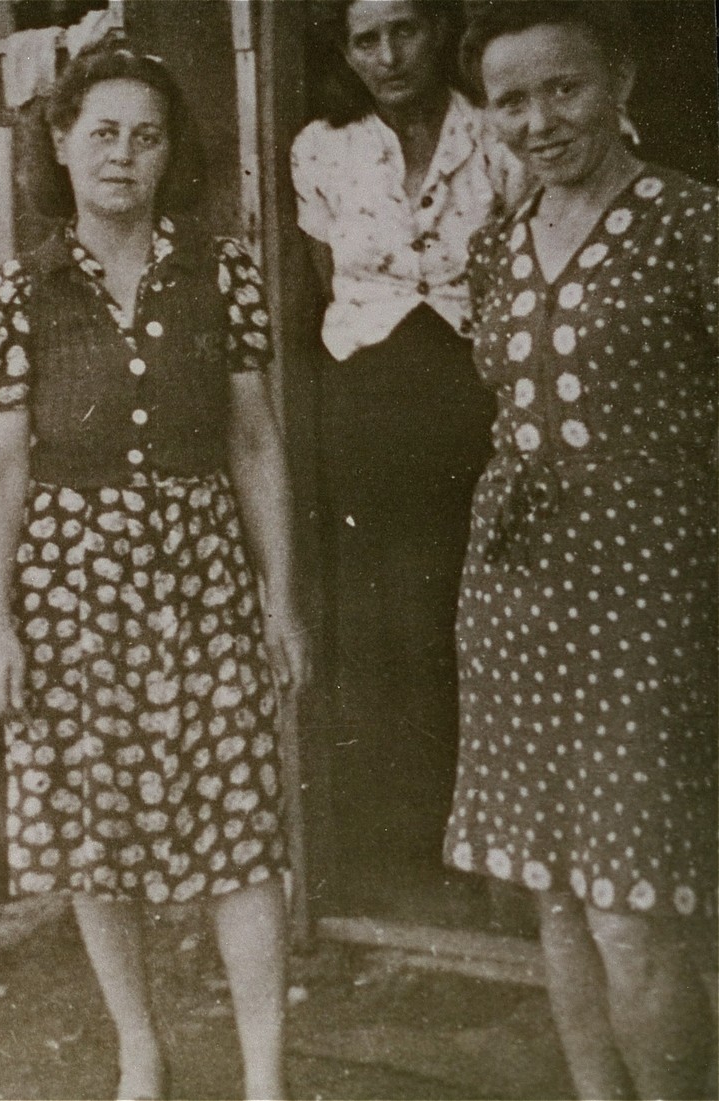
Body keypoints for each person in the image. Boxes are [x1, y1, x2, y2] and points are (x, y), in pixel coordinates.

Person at [0, 39, 308, 1101]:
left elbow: (253, 442)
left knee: (240, 824)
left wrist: (279, 600)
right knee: (91, 829)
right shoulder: (21, 292)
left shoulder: (224, 272)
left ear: (171, 155)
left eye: (146, 136)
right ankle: (141, 1050)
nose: (123, 155)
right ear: (62, 145)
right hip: (71, 590)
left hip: (203, 580)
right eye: (102, 133)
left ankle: (263, 1077)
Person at [448, 5, 719, 1098]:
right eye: (511, 101)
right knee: (552, 891)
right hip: (518, 599)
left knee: (630, 901)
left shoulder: (692, 224)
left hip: (654, 597)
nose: (539, 120)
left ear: (620, 80)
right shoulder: (496, 246)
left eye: (563, 89)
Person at [291, 0, 524, 886]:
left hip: (477, 395)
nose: (389, 56)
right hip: (370, 404)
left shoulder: (497, 133)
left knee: (479, 614)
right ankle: (406, 841)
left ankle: (493, 843)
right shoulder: (321, 146)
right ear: (343, 50)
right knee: (388, 619)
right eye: (365, 38)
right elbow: (328, 286)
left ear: (441, 30)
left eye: (407, 30)